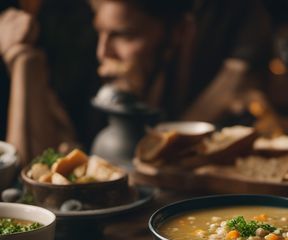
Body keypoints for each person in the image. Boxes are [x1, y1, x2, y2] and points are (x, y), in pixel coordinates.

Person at [0, 0, 271, 165]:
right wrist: (23, 63)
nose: (103, 53)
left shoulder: (219, 31)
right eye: (101, 33)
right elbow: (32, 173)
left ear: (180, 32)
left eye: (125, 35)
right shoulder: (72, 48)